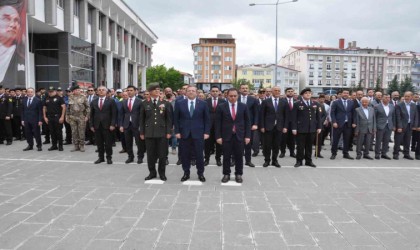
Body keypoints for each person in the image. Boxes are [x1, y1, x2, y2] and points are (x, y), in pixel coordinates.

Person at [174, 85, 210, 182]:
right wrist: (176, 131)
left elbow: (207, 119)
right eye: (189, 90)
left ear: (196, 93)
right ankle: (186, 173)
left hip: (199, 133)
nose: (191, 92)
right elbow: (176, 119)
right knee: (185, 155)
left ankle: (200, 173)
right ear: (185, 92)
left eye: (193, 91)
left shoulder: (203, 104)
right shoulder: (179, 103)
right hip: (184, 133)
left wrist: (207, 132)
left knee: (199, 155)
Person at [216, 88, 251, 183]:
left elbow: (248, 122)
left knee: (239, 156)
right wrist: (218, 136)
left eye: (235, 96)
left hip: (240, 135)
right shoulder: (221, 106)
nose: (232, 98)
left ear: (237, 96)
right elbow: (218, 123)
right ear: (227, 96)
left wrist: (248, 136)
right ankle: (226, 174)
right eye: (230, 96)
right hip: (226, 135)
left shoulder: (243, 106)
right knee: (226, 156)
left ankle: (238, 174)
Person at [140, 83, 172, 181]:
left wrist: (168, 132)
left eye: (158, 89)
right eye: (155, 90)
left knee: (162, 155)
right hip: (149, 133)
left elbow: (169, 120)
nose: (157, 91)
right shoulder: (144, 103)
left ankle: (162, 173)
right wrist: (142, 132)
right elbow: (141, 119)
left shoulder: (166, 103)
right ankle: (152, 173)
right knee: (150, 155)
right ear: (150, 92)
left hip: (162, 133)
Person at [291, 88, 322, 168]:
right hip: (301, 128)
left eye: (309, 93)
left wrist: (319, 127)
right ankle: (299, 161)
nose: (308, 94)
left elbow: (318, 117)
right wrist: (294, 128)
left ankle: (308, 161)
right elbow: (294, 117)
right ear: (302, 95)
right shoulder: (297, 104)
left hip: (311, 128)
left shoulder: (315, 103)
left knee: (309, 146)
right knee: (300, 146)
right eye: (306, 93)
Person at [259, 86, 287, 168]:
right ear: (271, 91)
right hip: (268, 127)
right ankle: (267, 160)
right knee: (267, 145)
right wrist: (262, 126)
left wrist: (285, 127)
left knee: (276, 145)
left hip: (279, 127)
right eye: (275, 90)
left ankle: (275, 160)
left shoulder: (284, 102)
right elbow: (262, 115)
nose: (277, 92)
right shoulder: (266, 102)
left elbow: (286, 116)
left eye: (279, 90)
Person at [90, 86, 117, 164]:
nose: (101, 91)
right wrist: (91, 125)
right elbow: (91, 114)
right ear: (97, 92)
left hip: (108, 125)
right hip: (97, 125)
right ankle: (101, 158)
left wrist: (112, 124)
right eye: (99, 90)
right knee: (99, 143)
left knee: (108, 143)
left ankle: (109, 158)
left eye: (103, 90)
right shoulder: (94, 101)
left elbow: (114, 114)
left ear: (106, 92)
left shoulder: (111, 101)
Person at [120, 85, 144, 164]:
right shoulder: (124, 102)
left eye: (131, 90)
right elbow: (122, 114)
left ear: (135, 91)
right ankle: (130, 157)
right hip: (127, 124)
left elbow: (142, 115)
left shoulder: (140, 101)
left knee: (139, 142)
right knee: (128, 142)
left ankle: (140, 157)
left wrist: (141, 125)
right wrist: (121, 125)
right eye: (128, 90)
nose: (129, 92)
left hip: (136, 125)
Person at [393, 91, 419, 160]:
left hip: (410, 126)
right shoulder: (399, 105)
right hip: (401, 126)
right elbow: (398, 117)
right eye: (405, 96)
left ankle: (406, 154)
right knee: (398, 141)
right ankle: (395, 154)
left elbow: (416, 116)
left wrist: (415, 126)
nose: (406, 98)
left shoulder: (413, 105)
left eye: (408, 96)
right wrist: (399, 126)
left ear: (411, 97)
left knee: (407, 141)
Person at [330, 89, 355, 160]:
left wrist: (353, 122)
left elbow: (353, 113)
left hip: (348, 124)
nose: (346, 94)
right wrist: (334, 122)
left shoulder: (351, 102)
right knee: (335, 140)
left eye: (347, 93)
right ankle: (333, 153)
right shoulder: (336, 102)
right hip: (338, 124)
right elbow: (332, 113)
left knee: (347, 139)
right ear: (341, 94)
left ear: (348, 94)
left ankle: (345, 153)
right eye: (344, 93)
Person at [204, 86, 226, 167]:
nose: (215, 92)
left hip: (219, 127)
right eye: (213, 91)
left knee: (219, 144)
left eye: (216, 91)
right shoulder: (205, 102)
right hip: (208, 126)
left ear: (219, 92)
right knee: (207, 144)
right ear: (210, 92)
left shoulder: (223, 101)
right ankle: (206, 159)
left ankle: (218, 159)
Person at [239, 83, 259, 168]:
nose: (245, 90)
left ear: (248, 89)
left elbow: (256, 113)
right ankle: (234, 160)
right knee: (236, 143)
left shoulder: (253, 99)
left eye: (246, 88)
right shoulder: (235, 98)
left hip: (249, 125)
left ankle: (248, 161)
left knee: (248, 144)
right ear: (240, 89)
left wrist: (255, 124)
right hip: (237, 125)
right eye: (243, 88)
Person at [66, 85, 90, 152]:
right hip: (72, 117)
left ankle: (81, 145)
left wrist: (87, 116)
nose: (77, 91)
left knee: (81, 132)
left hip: (81, 117)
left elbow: (88, 107)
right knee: (74, 132)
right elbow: (68, 107)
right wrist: (67, 116)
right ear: (73, 91)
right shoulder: (70, 97)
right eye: (76, 90)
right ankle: (76, 146)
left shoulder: (83, 97)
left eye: (78, 90)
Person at [43, 87, 66, 151]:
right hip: (50, 117)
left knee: (58, 132)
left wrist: (62, 117)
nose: (50, 93)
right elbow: (44, 108)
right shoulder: (47, 98)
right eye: (49, 91)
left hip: (57, 117)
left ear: (55, 91)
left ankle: (60, 146)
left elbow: (64, 107)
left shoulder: (59, 98)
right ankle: (54, 145)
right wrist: (45, 117)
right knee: (52, 132)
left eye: (52, 91)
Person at [374, 94, 395, 160]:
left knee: (386, 140)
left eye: (389, 97)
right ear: (382, 98)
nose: (388, 99)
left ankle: (384, 153)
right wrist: (375, 127)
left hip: (389, 126)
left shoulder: (392, 106)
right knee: (378, 140)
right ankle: (377, 154)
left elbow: (393, 116)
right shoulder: (377, 106)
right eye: (386, 97)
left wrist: (394, 125)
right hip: (380, 126)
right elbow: (374, 117)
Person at [280, 87, 296, 158]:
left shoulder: (297, 101)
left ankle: (292, 152)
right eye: (288, 91)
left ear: (293, 92)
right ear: (285, 93)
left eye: (291, 91)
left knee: (292, 139)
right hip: (284, 123)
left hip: (294, 123)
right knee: (283, 139)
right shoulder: (281, 101)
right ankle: (282, 152)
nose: (290, 92)